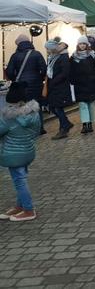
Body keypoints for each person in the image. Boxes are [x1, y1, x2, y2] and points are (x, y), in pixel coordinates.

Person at [0, 83, 41, 222]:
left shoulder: (8, 118)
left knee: (19, 181)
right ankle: (20, 206)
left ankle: (29, 209)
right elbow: (37, 132)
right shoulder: (34, 114)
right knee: (21, 178)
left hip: (13, 153)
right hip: (28, 151)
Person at [6, 34, 46, 135]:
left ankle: (27, 128)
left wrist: (15, 79)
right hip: (36, 84)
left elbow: (9, 72)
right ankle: (40, 128)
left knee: (23, 106)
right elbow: (44, 69)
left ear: (18, 44)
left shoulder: (15, 56)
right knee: (37, 106)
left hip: (21, 85)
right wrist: (39, 78)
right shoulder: (37, 54)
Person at [70, 36, 95, 134]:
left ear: (87, 45)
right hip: (79, 85)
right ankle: (85, 124)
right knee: (82, 105)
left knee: (90, 104)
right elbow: (71, 70)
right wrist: (73, 80)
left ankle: (90, 123)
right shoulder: (73, 57)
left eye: (84, 44)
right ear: (78, 45)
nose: (82, 45)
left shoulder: (92, 55)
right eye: (80, 44)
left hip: (90, 84)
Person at [45, 38, 74, 140]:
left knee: (57, 107)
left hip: (60, 86)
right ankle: (66, 124)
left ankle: (63, 128)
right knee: (54, 107)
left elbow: (65, 73)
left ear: (52, 49)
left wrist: (54, 81)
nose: (47, 51)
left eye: (48, 49)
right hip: (54, 86)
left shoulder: (62, 57)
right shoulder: (53, 57)